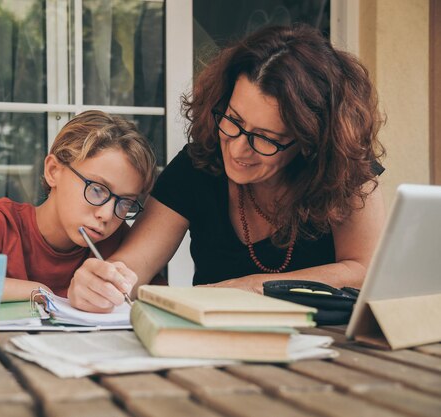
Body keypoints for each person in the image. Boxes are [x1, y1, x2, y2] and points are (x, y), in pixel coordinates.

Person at [68, 24, 386, 313]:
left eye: (265, 138)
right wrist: (103, 283)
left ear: (309, 141)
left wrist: (252, 287)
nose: (237, 149)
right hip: (215, 349)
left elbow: (363, 270)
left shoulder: (345, 169)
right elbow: (133, 267)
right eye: (233, 120)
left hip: (329, 347)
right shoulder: (197, 165)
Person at [0, 110, 157, 304]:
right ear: (53, 171)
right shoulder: (2, 222)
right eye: (97, 189)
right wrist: (40, 291)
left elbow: (162, 303)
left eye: (125, 202)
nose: (107, 214)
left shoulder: (120, 244)